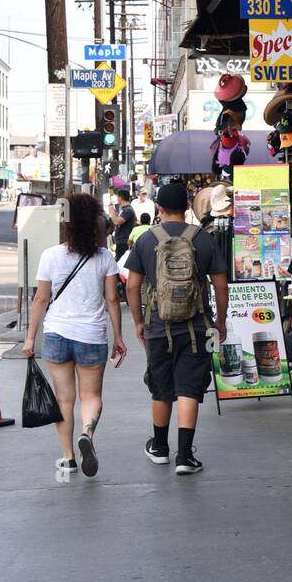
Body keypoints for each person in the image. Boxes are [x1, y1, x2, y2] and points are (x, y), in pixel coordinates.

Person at [126, 181, 228, 475]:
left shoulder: (146, 239)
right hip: (198, 328)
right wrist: (219, 322)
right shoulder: (203, 238)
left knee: (161, 388)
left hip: (158, 326)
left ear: (159, 208)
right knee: (189, 389)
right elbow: (220, 285)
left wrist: (139, 322)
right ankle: (185, 456)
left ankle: (159, 448)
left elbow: (132, 286)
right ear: (186, 207)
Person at [22, 192, 126, 478]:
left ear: (66, 225)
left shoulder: (50, 256)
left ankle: (68, 458)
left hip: (56, 334)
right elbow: (113, 301)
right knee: (91, 395)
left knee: (63, 399)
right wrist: (118, 337)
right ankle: (87, 433)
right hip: (92, 335)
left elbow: (41, 299)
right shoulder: (105, 258)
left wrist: (31, 339)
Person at [109, 188, 136, 258]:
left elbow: (117, 222)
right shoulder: (124, 209)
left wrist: (112, 211)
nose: (117, 199)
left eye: (117, 197)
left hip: (124, 241)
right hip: (121, 241)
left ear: (120, 198)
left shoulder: (128, 210)